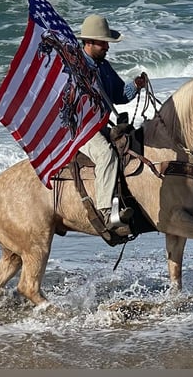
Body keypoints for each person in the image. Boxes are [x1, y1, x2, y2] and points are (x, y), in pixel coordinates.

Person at [76, 14, 146, 232]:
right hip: (80, 128)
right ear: (89, 42)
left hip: (99, 126)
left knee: (130, 145)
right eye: (102, 42)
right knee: (106, 154)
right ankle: (106, 213)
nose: (107, 46)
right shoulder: (75, 67)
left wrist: (135, 86)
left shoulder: (103, 66)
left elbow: (119, 95)